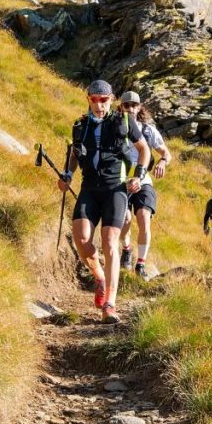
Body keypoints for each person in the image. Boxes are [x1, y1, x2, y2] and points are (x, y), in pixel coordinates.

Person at [58, 79, 150, 324]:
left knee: (110, 243)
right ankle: (99, 277)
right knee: (82, 240)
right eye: (95, 100)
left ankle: (110, 304)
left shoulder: (125, 121)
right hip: (89, 187)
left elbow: (144, 150)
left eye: (104, 100)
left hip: (115, 189)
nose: (99, 105)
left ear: (112, 100)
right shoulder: (80, 125)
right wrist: (67, 174)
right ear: (89, 99)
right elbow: (74, 155)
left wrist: (139, 177)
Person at [117, 93, 172, 278]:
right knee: (125, 220)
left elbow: (166, 153)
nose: (131, 109)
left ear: (139, 107)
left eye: (134, 105)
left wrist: (163, 162)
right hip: (121, 179)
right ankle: (126, 248)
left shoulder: (148, 131)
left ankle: (140, 264)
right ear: (121, 107)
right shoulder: (116, 128)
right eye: (127, 105)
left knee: (143, 217)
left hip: (144, 179)